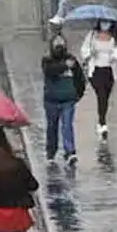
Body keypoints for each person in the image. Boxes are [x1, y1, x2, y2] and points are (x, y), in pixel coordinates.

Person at [42, 34, 84, 165]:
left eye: (61, 43)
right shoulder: (47, 60)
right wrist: (65, 66)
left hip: (68, 100)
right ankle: (51, 152)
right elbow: (50, 71)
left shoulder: (72, 60)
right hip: (52, 100)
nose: (59, 46)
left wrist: (77, 94)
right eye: (56, 43)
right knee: (52, 126)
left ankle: (70, 151)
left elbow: (80, 78)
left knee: (67, 126)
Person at [80, 20, 117, 139]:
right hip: (96, 70)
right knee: (101, 94)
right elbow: (84, 49)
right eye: (103, 22)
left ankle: (102, 119)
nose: (105, 25)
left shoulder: (115, 37)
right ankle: (102, 122)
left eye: (108, 23)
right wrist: (90, 53)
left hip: (109, 70)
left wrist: (114, 56)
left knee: (106, 95)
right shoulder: (92, 35)